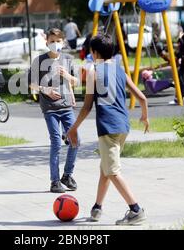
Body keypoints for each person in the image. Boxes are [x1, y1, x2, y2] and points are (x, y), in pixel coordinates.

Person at [67, 33, 150, 226]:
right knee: (105, 169)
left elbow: (87, 107)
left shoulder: (93, 72)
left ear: (94, 53)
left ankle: (135, 210)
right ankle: (97, 208)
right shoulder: (120, 70)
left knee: (112, 171)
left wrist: (73, 129)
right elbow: (142, 98)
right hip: (123, 127)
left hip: (107, 127)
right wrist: (144, 116)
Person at [29, 28, 79, 193]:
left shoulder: (68, 59)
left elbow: (76, 82)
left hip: (66, 107)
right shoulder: (39, 61)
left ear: (63, 42)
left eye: (58, 41)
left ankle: (67, 175)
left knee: (75, 141)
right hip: (50, 108)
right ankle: (54, 181)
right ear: (47, 42)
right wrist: (46, 90)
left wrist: (68, 77)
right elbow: (32, 85)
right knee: (56, 142)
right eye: (52, 41)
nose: (55, 44)